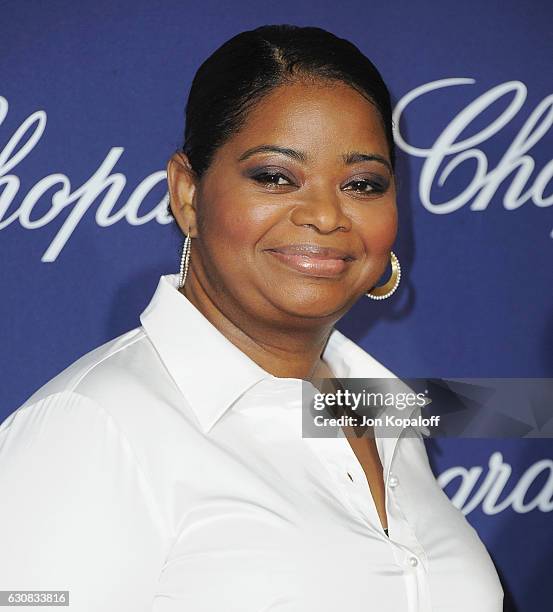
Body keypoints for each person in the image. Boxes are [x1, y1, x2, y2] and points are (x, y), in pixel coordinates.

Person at [0, 24, 503, 612]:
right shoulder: (92, 427)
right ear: (187, 193)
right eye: (274, 177)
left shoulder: (383, 411)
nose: (324, 215)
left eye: (363, 184)